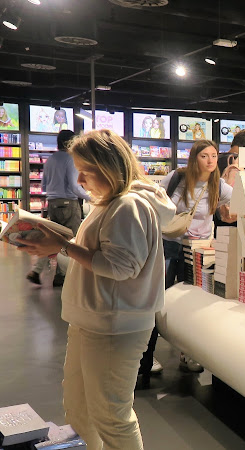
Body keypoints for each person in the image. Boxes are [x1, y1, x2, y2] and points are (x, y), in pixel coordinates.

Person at [15, 129, 176, 450]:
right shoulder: (111, 203)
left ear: (109, 167)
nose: (81, 180)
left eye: (86, 172)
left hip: (115, 325)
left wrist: (62, 245)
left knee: (111, 415)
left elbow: (120, 266)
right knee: (80, 406)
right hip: (95, 320)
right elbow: (104, 255)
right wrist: (60, 247)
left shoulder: (128, 205)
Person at [138, 139, 236, 381]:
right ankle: (146, 357)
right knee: (157, 299)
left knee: (191, 302)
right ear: (195, 158)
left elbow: (237, 207)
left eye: (214, 155)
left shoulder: (219, 185)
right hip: (170, 245)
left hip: (199, 251)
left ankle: (187, 353)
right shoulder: (176, 178)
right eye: (205, 156)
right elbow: (152, 201)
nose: (211, 160)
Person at [27, 130, 91, 286]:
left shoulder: (49, 160)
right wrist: (92, 197)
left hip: (53, 204)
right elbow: (74, 187)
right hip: (69, 204)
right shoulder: (70, 159)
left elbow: (43, 186)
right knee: (71, 240)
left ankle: (36, 270)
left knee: (51, 237)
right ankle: (61, 275)